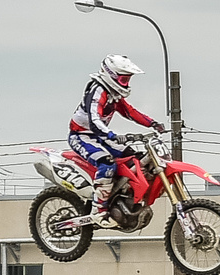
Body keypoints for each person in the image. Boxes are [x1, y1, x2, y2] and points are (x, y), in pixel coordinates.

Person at [69, 53, 162, 217]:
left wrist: (152, 123)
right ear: (111, 75)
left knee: (136, 158)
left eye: (127, 80)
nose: (126, 83)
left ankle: (123, 196)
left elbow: (129, 112)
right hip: (81, 136)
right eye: (123, 79)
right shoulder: (97, 91)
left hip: (100, 136)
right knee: (107, 163)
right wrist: (112, 134)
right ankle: (99, 209)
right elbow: (94, 120)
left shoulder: (113, 94)